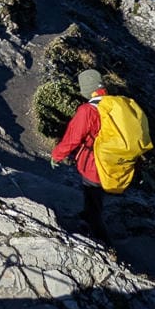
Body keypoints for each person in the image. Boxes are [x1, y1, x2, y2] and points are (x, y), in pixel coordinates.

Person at [51, 68, 112, 245]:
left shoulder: (88, 110)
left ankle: (102, 242)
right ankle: (88, 215)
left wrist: (57, 155)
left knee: (93, 197)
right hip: (114, 161)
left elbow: (73, 138)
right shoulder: (117, 105)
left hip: (95, 164)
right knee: (95, 197)